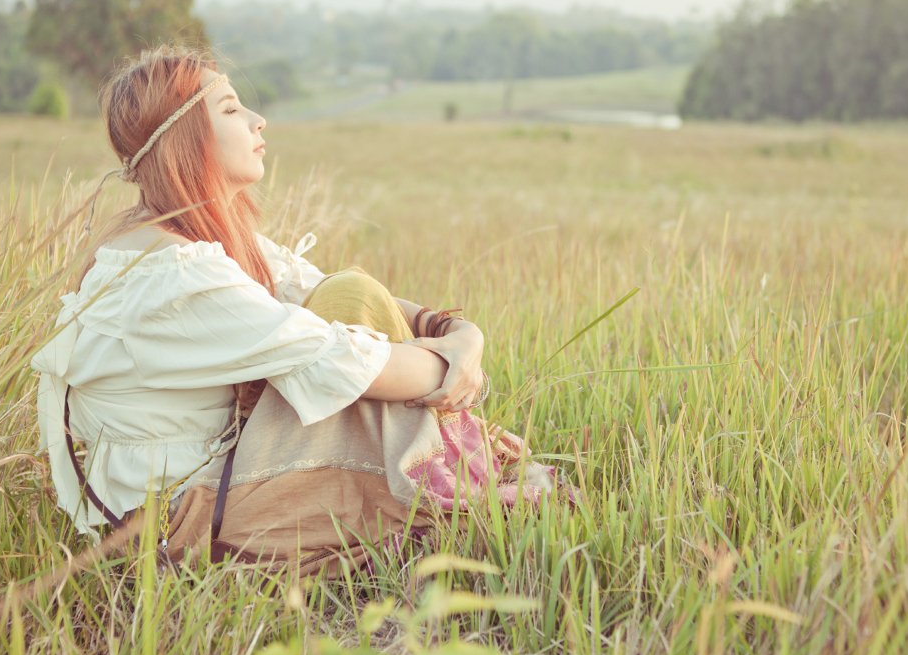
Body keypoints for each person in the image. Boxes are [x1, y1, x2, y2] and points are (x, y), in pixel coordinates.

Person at [30, 45, 556, 576]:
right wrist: (454, 370)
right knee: (363, 354)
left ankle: (444, 462)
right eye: (233, 109)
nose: (260, 121)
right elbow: (343, 362)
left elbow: (319, 289)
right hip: (182, 520)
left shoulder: (177, 239)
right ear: (186, 139)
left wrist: (459, 334)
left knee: (349, 295)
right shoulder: (172, 277)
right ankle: (449, 464)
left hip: (204, 485)